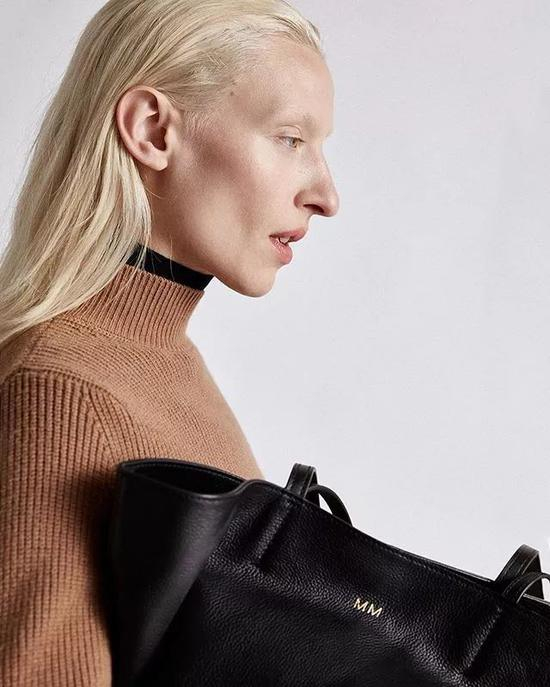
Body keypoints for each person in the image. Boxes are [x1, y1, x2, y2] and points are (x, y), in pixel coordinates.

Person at [0, 0, 339, 684]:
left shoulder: (164, 361)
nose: (325, 194)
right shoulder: (59, 392)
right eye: (289, 138)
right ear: (152, 130)